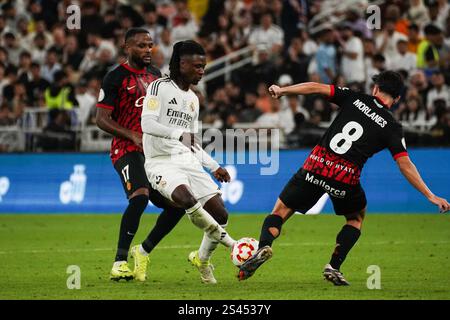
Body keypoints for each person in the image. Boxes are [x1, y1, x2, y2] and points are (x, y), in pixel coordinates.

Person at [238, 70, 450, 285]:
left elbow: (316, 86)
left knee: (281, 210)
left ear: (375, 88)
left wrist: (283, 90)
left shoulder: (355, 97)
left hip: (317, 165)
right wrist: (430, 195)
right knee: (356, 218)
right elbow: (405, 164)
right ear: (396, 99)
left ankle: (265, 245)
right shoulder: (392, 127)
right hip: (344, 177)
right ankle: (334, 266)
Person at [136, 40, 236, 284]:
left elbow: (192, 141)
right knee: (185, 199)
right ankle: (232, 245)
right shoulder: (159, 87)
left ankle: (201, 259)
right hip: (160, 161)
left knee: (221, 214)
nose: (202, 71)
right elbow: (146, 124)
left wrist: (214, 166)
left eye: (203, 66)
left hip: (186, 160)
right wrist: (176, 134)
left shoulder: (194, 99)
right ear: (181, 64)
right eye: (197, 66)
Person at [96, 28, 185, 282]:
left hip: (154, 152)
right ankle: (119, 262)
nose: (147, 50)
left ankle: (143, 250)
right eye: (141, 46)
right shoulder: (115, 78)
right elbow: (101, 119)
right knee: (140, 197)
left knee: (178, 204)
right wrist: (132, 135)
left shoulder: (155, 76)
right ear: (127, 47)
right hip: (126, 148)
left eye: (150, 46)